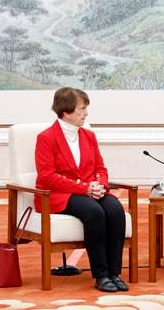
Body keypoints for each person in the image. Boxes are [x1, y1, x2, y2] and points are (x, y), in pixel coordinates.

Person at [35, 87, 128, 293]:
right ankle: (101, 275)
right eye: (82, 109)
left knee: (114, 209)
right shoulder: (46, 138)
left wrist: (100, 186)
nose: (86, 113)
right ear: (66, 112)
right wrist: (84, 188)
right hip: (58, 195)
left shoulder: (88, 136)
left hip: (89, 190)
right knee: (93, 212)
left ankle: (115, 273)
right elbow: (46, 176)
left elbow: (100, 168)